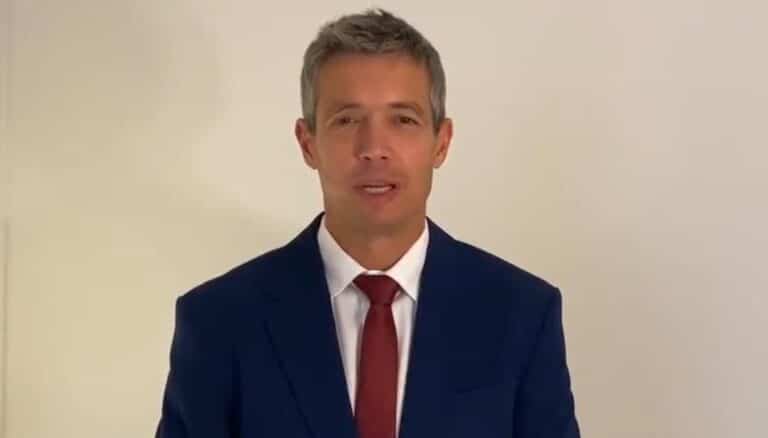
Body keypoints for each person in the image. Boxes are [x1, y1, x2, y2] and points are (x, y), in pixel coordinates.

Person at [155, 8, 580, 438]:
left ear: (442, 142)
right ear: (308, 143)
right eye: (347, 120)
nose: (375, 148)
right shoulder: (220, 321)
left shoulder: (521, 315)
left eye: (403, 119)